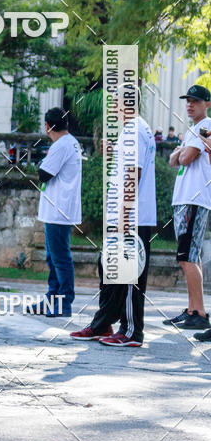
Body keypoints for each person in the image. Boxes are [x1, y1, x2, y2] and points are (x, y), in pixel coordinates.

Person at [70, 109, 156, 347]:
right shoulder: (131, 130)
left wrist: (124, 215)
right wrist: (113, 152)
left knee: (129, 274)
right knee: (108, 268)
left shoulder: (136, 130)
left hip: (131, 215)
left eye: (116, 101)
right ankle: (103, 322)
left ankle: (131, 331)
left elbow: (134, 173)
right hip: (124, 212)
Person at [162, 85, 211, 336]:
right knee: (190, 256)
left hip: (194, 199)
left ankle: (199, 313)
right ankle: (193, 309)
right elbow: (173, 159)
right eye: (188, 101)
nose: (190, 105)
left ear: (207, 104)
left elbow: (185, 158)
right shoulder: (193, 129)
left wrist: (181, 151)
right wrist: (181, 151)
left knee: (187, 257)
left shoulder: (206, 126)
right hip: (185, 199)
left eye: (196, 101)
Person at [25, 107, 82, 318]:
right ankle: (52, 298)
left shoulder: (61, 146)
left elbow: (43, 173)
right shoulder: (72, 143)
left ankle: (64, 302)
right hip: (60, 208)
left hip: (59, 210)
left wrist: (41, 162)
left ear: (47, 126)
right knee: (54, 257)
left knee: (60, 257)